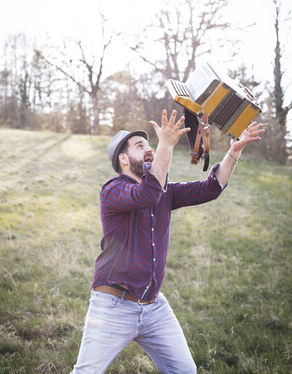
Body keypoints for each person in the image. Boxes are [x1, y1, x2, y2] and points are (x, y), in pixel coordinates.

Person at [70, 109, 264, 374]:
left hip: (154, 308)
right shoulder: (112, 190)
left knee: (185, 371)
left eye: (150, 144)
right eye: (141, 146)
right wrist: (166, 146)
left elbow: (211, 188)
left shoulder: (165, 192)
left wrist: (234, 151)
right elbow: (146, 195)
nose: (149, 149)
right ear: (124, 159)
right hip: (113, 307)